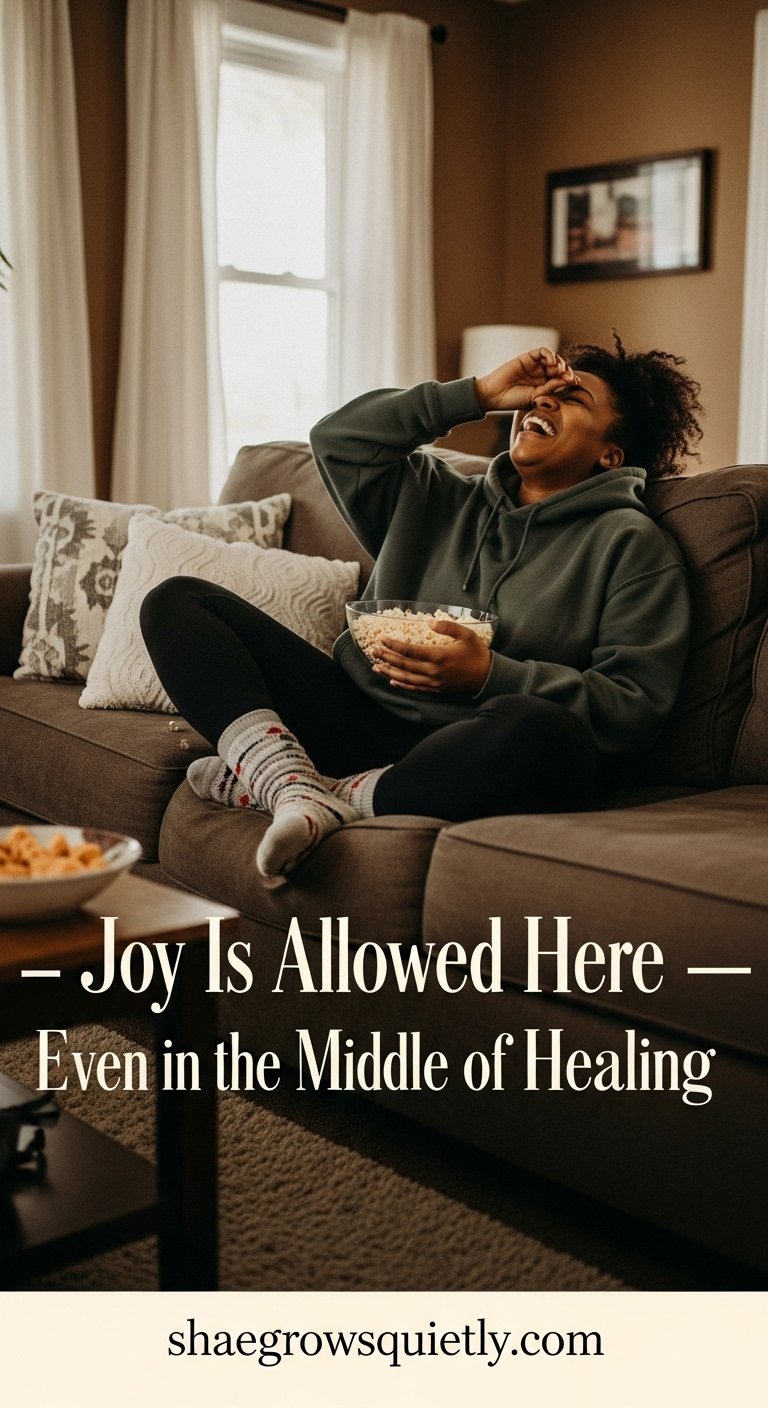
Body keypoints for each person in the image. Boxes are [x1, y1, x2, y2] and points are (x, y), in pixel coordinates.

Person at [139, 337, 703, 882]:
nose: (542, 401)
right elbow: (337, 439)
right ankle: (291, 785)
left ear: (611, 453)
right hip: (356, 717)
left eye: (572, 397)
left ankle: (323, 793)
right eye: (540, 393)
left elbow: (633, 708)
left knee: (546, 735)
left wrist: (489, 675)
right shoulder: (433, 493)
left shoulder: (634, 546)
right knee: (177, 602)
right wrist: (478, 393)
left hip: (472, 748)